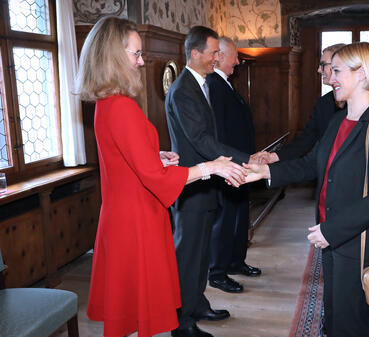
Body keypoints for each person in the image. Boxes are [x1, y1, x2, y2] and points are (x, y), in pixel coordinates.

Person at [76, 17, 246, 337]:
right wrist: (210, 167)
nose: (141, 62)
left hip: (123, 211)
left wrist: (155, 154)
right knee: (136, 301)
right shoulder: (121, 106)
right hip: (135, 217)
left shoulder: (107, 102)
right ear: (113, 55)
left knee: (129, 301)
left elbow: (122, 157)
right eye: (136, 54)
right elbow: (153, 177)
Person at [244, 42, 369, 337]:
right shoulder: (337, 121)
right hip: (334, 239)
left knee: (352, 323)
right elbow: (311, 165)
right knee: (335, 319)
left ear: (361, 74)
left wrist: (331, 230)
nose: (330, 78)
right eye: (330, 71)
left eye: (336, 71)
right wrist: (265, 171)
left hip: (359, 244)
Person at [165, 26, 254, 337]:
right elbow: (202, 141)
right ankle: (181, 322)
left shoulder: (199, 85)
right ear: (195, 53)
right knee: (187, 257)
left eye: (219, 52)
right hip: (190, 187)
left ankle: (197, 303)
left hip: (205, 183)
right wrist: (244, 159)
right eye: (214, 52)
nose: (218, 57)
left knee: (201, 255)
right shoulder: (182, 90)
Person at [206, 37, 260, 294]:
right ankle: (217, 271)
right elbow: (219, 133)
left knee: (239, 215)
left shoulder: (225, 83)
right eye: (234, 57)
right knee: (225, 219)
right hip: (228, 163)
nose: (238, 62)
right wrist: (235, 161)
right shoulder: (213, 85)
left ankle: (237, 261)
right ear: (218, 56)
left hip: (241, 162)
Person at [251, 43, 346, 164]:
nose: (318, 70)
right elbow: (305, 141)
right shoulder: (323, 103)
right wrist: (272, 157)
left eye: (323, 65)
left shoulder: (364, 105)